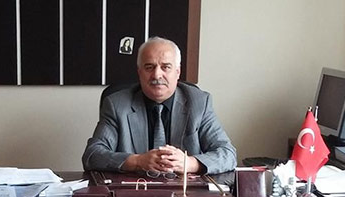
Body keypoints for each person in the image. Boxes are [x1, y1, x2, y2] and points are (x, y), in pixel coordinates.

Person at [81, 36, 237, 174]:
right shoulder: (117, 104)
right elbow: (92, 155)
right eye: (149, 67)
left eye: (165, 67)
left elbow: (227, 154)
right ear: (139, 72)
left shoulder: (199, 102)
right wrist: (138, 161)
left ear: (177, 72)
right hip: (135, 192)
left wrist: (190, 163)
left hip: (185, 193)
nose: (156, 74)